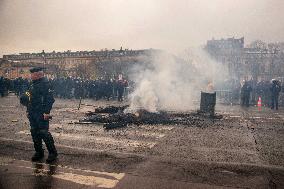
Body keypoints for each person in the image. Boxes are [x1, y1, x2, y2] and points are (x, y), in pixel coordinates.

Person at [20, 67, 57, 163]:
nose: (30, 76)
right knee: (34, 132)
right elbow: (29, 98)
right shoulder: (32, 84)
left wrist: (47, 112)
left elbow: (50, 99)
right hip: (32, 112)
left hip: (41, 113)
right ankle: (39, 152)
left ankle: (53, 153)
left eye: (32, 74)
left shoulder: (46, 84)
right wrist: (28, 110)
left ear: (38, 75)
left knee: (44, 133)